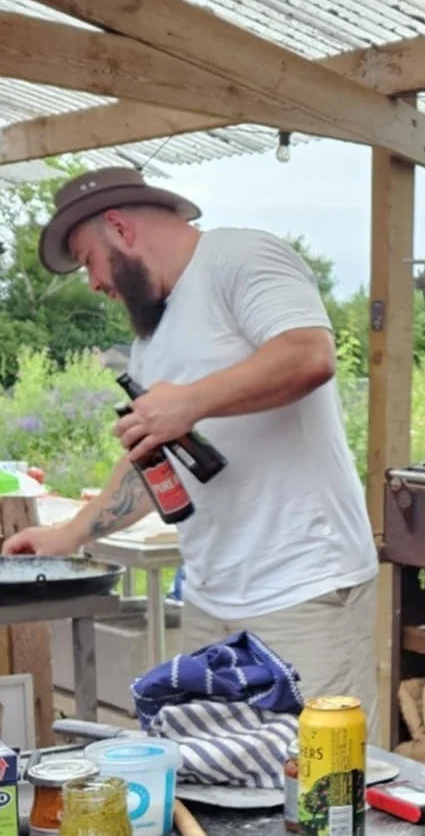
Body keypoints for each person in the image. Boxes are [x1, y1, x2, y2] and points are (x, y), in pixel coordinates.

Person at [5, 168, 382, 738]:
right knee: (219, 783)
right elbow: (154, 464)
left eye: (88, 260)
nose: (92, 282)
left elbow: (309, 354)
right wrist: (72, 533)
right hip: (210, 602)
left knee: (323, 791)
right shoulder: (149, 343)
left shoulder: (240, 256)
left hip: (304, 593)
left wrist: (189, 404)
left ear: (119, 228)